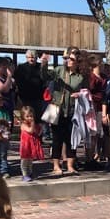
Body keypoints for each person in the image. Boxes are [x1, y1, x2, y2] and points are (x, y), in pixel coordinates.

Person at [40, 47, 88, 176]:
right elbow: (45, 77)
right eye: (66, 58)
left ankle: (70, 166)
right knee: (57, 140)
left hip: (73, 112)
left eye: (71, 59)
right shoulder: (59, 71)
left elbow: (86, 92)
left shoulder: (80, 77)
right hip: (58, 110)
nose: (68, 61)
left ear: (77, 61)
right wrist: (44, 64)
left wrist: (80, 94)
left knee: (71, 140)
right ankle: (56, 166)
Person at [15, 50, 46, 122]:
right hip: (25, 99)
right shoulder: (21, 67)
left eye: (33, 57)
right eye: (29, 57)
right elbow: (17, 82)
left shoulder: (40, 67)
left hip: (38, 98)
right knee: (26, 119)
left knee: (38, 120)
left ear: (36, 58)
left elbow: (45, 79)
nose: (31, 59)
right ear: (26, 57)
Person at [18, 105, 44, 182]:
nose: (30, 118)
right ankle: (24, 174)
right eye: (27, 116)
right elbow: (30, 131)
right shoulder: (23, 124)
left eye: (31, 116)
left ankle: (30, 173)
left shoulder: (33, 124)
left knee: (30, 160)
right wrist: (33, 124)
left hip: (31, 144)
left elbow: (37, 133)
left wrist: (40, 128)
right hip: (25, 145)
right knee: (25, 161)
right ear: (23, 117)